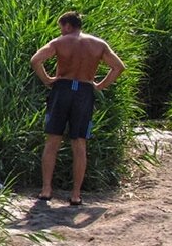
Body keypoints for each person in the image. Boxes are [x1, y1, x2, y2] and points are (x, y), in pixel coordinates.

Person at [30, 11, 125, 206]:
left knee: (53, 140)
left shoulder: (60, 42)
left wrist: (47, 79)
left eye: (61, 27)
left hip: (62, 89)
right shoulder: (98, 44)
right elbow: (118, 67)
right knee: (79, 143)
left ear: (67, 25)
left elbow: (35, 60)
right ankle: (75, 194)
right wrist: (99, 85)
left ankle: (46, 189)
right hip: (84, 91)